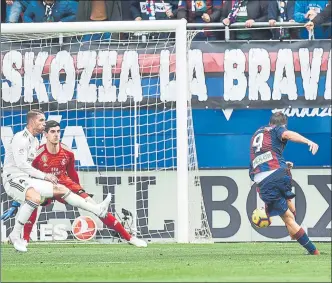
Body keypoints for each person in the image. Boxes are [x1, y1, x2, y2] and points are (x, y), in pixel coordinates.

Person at [3, 120, 147, 248]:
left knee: (96, 206)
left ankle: (130, 238)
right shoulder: (38, 154)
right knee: (33, 202)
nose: (56, 135)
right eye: (52, 132)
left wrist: (80, 191)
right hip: (45, 185)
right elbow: (28, 176)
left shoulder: (68, 152)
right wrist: (16, 203)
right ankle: (25, 240)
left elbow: (72, 174)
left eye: (58, 131)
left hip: (65, 184)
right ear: (45, 134)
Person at [2, 110, 112, 252]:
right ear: (32, 122)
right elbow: (22, 165)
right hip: (13, 178)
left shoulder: (35, 141)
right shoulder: (20, 138)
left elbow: (30, 170)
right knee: (35, 198)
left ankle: (98, 210)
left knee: (61, 189)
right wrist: (45, 176)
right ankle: (15, 235)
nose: (44, 123)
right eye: (41, 120)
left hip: (26, 181)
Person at [249, 112, 320, 255]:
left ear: (270, 123)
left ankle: (313, 251)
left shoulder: (257, 133)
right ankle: (294, 230)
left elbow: (261, 156)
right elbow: (287, 135)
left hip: (265, 179)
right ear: (283, 125)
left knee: (287, 218)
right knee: (287, 200)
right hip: (281, 172)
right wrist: (308, 142)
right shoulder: (278, 129)